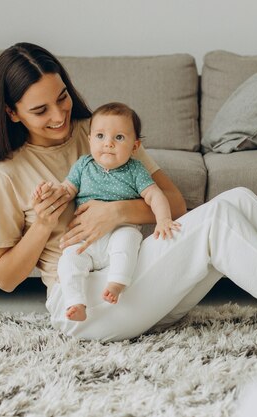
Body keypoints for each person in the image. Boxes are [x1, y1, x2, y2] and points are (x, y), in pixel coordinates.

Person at [0, 42, 257, 352]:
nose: (59, 115)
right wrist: (45, 227)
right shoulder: (7, 174)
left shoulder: (104, 131)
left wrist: (117, 212)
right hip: (85, 304)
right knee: (217, 224)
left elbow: (175, 203)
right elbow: (6, 278)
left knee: (239, 200)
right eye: (40, 111)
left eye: (62, 97)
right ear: (12, 112)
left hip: (132, 275)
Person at [33, 102, 180, 321]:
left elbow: (155, 195)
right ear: (89, 139)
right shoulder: (83, 166)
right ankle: (75, 302)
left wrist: (164, 219)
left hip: (119, 232)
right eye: (100, 136)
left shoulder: (135, 170)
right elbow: (66, 191)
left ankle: (117, 283)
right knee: (68, 260)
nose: (108, 143)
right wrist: (48, 192)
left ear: (134, 146)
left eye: (119, 138)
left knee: (128, 240)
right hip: (86, 239)